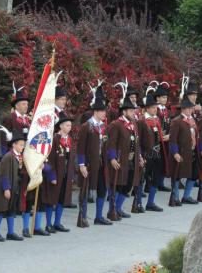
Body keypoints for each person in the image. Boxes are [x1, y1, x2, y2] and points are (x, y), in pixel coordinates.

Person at [77, 86, 112, 226]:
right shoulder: (87, 126)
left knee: (102, 189)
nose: (105, 114)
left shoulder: (103, 127)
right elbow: (80, 147)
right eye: (103, 111)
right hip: (89, 164)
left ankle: (99, 216)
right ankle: (83, 217)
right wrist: (81, 164)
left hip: (101, 163)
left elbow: (105, 144)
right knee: (85, 190)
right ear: (96, 111)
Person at [106, 96, 144, 221]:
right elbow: (111, 143)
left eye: (134, 111)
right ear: (124, 112)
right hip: (120, 159)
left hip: (132, 159)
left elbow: (137, 142)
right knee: (118, 185)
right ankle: (112, 210)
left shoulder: (134, 124)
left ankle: (118, 208)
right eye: (131, 111)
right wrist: (112, 158)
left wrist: (139, 156)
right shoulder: (116, 124)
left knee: (128, 185)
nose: (134, 113)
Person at [39, 112, 75, 233]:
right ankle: (48, 224)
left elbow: (71, 158)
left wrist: (71, 174)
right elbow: (48, 159)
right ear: (60, 126)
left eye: (70, 126)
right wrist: (51, 176)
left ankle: (57, 223)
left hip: (65, 174)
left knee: (61, 199)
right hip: (55, 175)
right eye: (66, 125)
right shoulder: (54, 139)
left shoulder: (69, 139)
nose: (69, 128)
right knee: (51, 200)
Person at [0, 131, 26, 242]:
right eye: (21, 144)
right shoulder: (8, 157)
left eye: (23, 145)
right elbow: (4, 174)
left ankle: (10, 232)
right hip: (5, 188)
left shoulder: (19, 156)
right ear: (14, 144)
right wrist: (6, 188)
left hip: (14, 187)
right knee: (1, 209)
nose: (22, 147)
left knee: (11, 210)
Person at [137, 93, 164, 212]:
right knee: (142, 178)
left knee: (155, 178)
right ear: (147, 108)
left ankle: (150, 202)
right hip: (146, 154)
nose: (155, 109)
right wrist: (140, 155)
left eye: (156, 107)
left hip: (157, 153)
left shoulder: (156, 119)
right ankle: (138, 203)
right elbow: (139, 139)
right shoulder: (142, 121)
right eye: (153, 107)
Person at [169, 98, 198, 205]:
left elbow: (195, 134)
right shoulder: (176, 121)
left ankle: (186, 196)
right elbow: (173, 139)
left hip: (192, 151)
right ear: (183, 109)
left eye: (191, 108)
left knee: (193, 174)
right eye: (189, 109)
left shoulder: (192, 120)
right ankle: (175, 197)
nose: (191, 110)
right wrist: (175, 152)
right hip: (181, 151)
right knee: (177, 175)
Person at [0, 86, 31, 155]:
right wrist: (6, 155)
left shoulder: (28, 119)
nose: (26, 106)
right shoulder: (9, 118)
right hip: (13, 155)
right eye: (23, 104)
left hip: (27, 153)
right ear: (17, 106)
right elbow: (3, 140)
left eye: (27, 104)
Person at [155, 83, 172, 192]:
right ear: (157, 98)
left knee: (164, 161)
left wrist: (169, 135)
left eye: (166, 97)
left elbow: (170, 125)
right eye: (163, 97)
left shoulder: (167, 111)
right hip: (156, 139)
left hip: (166, 139)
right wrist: (160, 136)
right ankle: (151, 184)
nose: (165, 99)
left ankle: (160, 183)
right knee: (156, 161)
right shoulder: (154, 109)